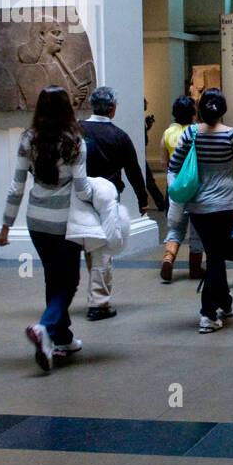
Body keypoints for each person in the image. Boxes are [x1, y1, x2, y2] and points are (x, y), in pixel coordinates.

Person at [0, 86, 93, 372]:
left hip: (37, 221)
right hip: (65, 222)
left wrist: (5, 226)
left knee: (53, 277)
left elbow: (16, 187)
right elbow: (82, 187)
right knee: (70, 282)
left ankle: (62, 337)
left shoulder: (28, 140)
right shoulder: (75, 142)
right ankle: (46, 327)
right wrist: (102, 198)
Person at [166, 88, 233, 333]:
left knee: (214, 253)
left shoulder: (190, 135)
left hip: (198, 207)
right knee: (217, 255)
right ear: (223, 111)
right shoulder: (232, 136)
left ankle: (225, 302)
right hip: (226, 204)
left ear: (200, 111)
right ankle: (207, 314)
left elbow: (174, 166)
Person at [78, 86, 148, 320]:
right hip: (107, 198)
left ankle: (75, 295)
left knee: (86, 244)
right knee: (102, 249)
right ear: (113, 109)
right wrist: (143, 200)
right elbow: (133, 170)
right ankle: (99, 301)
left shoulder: (78, 130)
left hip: (78, 196)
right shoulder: (119, 136)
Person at [160, 95, 204, 283]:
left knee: (176, 226)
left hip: (176, 185)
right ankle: (195, 268)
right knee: (196, 229)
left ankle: (168, 258)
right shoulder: (196, 132)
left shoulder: (168, 133)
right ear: (193, 113)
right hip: (196, 186)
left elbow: (164, 163)